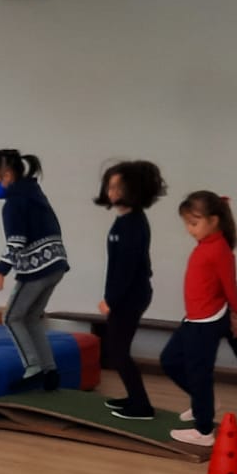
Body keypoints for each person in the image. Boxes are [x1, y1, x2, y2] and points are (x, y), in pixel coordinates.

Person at [162, 191, 237, 448]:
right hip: (194, 318)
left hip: (208, 321)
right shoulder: (205, 246)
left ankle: (203, 431)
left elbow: (230, 287)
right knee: (169, 360)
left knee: (198, 373)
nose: (189, 229)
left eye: (194, 223)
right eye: (187, 224)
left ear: (213, 220)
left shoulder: (220, 250)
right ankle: (206, 403)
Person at [0, 149, 68, 391]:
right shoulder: (34, 193)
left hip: (37, 268)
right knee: (31, 317)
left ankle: (33, 368)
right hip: (56, 264)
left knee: (11, 317)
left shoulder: (13, 203)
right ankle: (50, 370)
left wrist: (0, 270)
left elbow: (16, 241)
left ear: (7, 176)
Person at [95, 161, 166, 420]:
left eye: (119, 187)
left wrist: (111, 300)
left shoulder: (133, 224)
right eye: (110, 186)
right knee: (117, 350)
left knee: (117, 351)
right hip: (126, 294)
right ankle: (134, 398)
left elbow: (127, 268)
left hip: (130, 296)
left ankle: (142, 406)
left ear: (134, 190)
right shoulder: (124, 221)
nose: (112, 192)